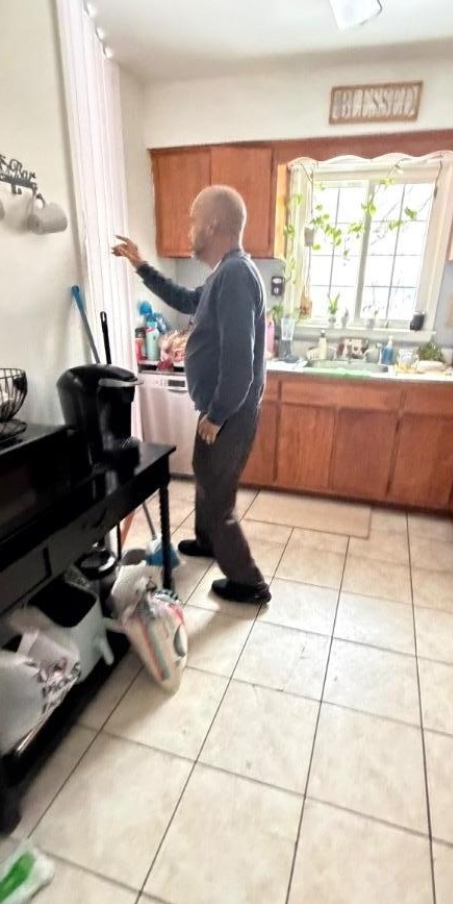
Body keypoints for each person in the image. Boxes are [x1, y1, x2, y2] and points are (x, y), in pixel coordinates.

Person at [112, 185, 270, 605]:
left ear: (214, 225)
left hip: (229, 411)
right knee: (205, 472)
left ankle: (249, 582)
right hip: (221, 407)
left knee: (219, 499)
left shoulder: (236, 276)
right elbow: (184, 299)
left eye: (194, 220)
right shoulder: (224, 274)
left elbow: (239, 361)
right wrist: (142, 266)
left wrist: (217, 415)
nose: (189, 229)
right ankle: (207, 541)